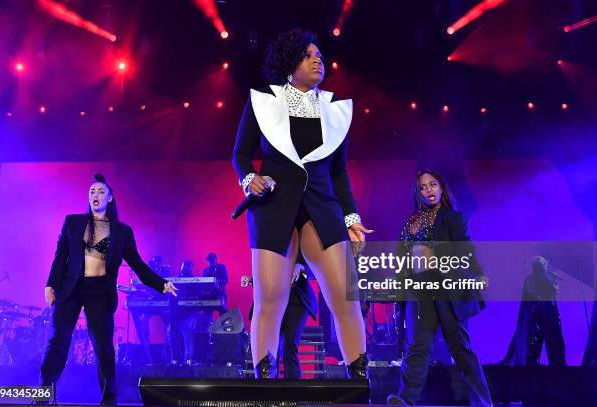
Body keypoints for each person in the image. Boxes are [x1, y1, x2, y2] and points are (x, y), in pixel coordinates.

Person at [232, 28, 371, 378]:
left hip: (323, 207)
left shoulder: (335, 110)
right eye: (308, 55)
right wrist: (251, 179)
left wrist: (352, 216)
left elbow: (339, 173)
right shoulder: (264, 102)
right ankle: (264, 382)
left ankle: (359, 383)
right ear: (288, 63)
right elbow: (240, 154)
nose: (317, 59)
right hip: (274, 207)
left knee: (345, 298)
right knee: (270, 302)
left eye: (319, 55)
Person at [40, 174, 178, 405]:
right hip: (70, 288)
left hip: (99, 292)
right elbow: (60, 256)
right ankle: (45, 393)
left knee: (103, 346)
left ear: (110, 198)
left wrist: (161, 284)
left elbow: (138, 264)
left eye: (101, 191)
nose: (95, 195)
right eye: (92, 191)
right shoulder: (73, 222)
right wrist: (50, 284)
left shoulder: (122, 231)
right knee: (58, 341)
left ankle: (109, 399)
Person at [388, 169, 492, 407]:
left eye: (432, 185)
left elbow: (464, 251)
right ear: (418, 193)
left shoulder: (453, 218)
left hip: (447, 289)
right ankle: (406, 401)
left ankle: (482, 402)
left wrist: (473, 273)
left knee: (461, 349)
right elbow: (402, 264)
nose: (429, 191)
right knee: (416, 349)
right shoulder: (410, 222)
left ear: (441, 187)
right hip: (418, 292)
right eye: (423, 187)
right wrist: (399, 296)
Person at [248, 257, 318, 378]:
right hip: (272, 300)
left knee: (289, 347)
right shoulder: (269, 246)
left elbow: (319, 269)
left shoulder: (302, 242)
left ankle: (293, 392)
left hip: (296, 302)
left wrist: (301, 266)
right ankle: (269, 391)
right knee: (270, 350)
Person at [501, 256, 566, 366]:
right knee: (544, 338)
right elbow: (551, 292)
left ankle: (534, 360)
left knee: (536, 338)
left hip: (539, 312)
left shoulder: (536, 278)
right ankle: (545, 361)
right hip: (543, 312)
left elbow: (550, 293)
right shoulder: (538, 278)